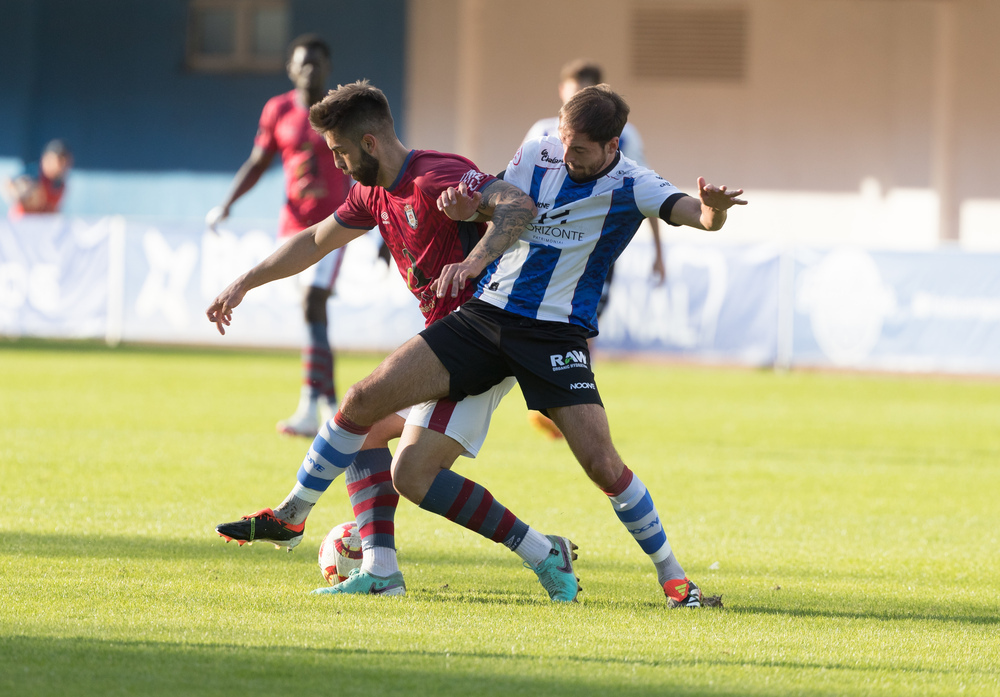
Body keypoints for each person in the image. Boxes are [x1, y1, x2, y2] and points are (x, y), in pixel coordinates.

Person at [213, 82, 745, 607]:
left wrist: (712, 210)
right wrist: (470, 212)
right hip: (485, 316)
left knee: (602, 465)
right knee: (365, 412)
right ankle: (319, 530)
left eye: (579, 151)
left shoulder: (635, 182)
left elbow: (684, 214)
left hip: (554, 334)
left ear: (612, 146)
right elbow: (499, 205)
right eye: (562, 142)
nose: (565, 156)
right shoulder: (537, 153)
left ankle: (676, 582)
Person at [209, 80, 579, 602]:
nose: (334, 164)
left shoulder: (436, 175)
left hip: (483, 338)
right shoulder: (371, 191)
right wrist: (245, 281)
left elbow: (518, 204)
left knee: (373, 420)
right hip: (445, 342)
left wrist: (473, 258)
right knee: (373, 440)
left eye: (338, 152)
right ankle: (388, 569)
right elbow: (315, 240)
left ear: (368, 144)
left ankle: (294, 513)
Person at [206, 34, 352, 438]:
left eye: (317, 63)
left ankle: (315, 406)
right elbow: (259, 161)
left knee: (312, 303)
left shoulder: (343, 112)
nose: (310, 70)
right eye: (303, 63)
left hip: (336, 224)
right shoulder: (279, 109)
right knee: (311, 315)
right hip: (291, 228)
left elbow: (367, 167)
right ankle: (330, 407)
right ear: (290, 68)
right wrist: (228, 202)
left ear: (328, 68)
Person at [522, 59, 665, 440]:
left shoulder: (626, 136)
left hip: (590, 250)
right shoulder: (541, 134)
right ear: (562, 96)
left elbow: (647, 190)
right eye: (572, 94)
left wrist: (658, 251)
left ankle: (571, 401)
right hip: (540, 250)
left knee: (579, 325)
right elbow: (516, 190)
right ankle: (556, 401)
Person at [3, 139, 73, 219]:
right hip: (21, 223)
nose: (63, 166)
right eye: (59, 160)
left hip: (42, 227)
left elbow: (53, 211)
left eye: (65, 161)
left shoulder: (60, 184)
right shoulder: (33, 173)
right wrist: (20, 193)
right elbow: (8, 184)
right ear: (47, 158)